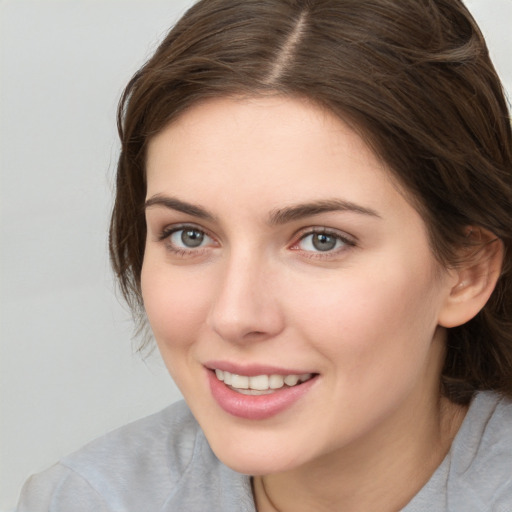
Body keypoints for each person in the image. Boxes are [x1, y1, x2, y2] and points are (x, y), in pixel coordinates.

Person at [16, 0, 512, 510]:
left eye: (322, 240)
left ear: (466, 274)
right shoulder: (84, 499)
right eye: (189, 235)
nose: (235, 316)